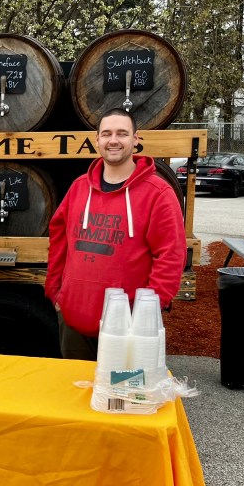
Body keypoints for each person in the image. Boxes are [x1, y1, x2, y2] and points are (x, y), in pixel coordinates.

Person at [45, 108, 186, 360]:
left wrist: (148, 310)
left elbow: (171, 255)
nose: (113, 140)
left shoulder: (158, 193)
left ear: (135, 139)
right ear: (97, 140)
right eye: (106, 133)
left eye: (122, 133)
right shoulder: (79, 188)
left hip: (128, 326)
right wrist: (55, 291)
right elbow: (59, 240)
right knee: (75, 384)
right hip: (74, 320)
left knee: (122, 386)